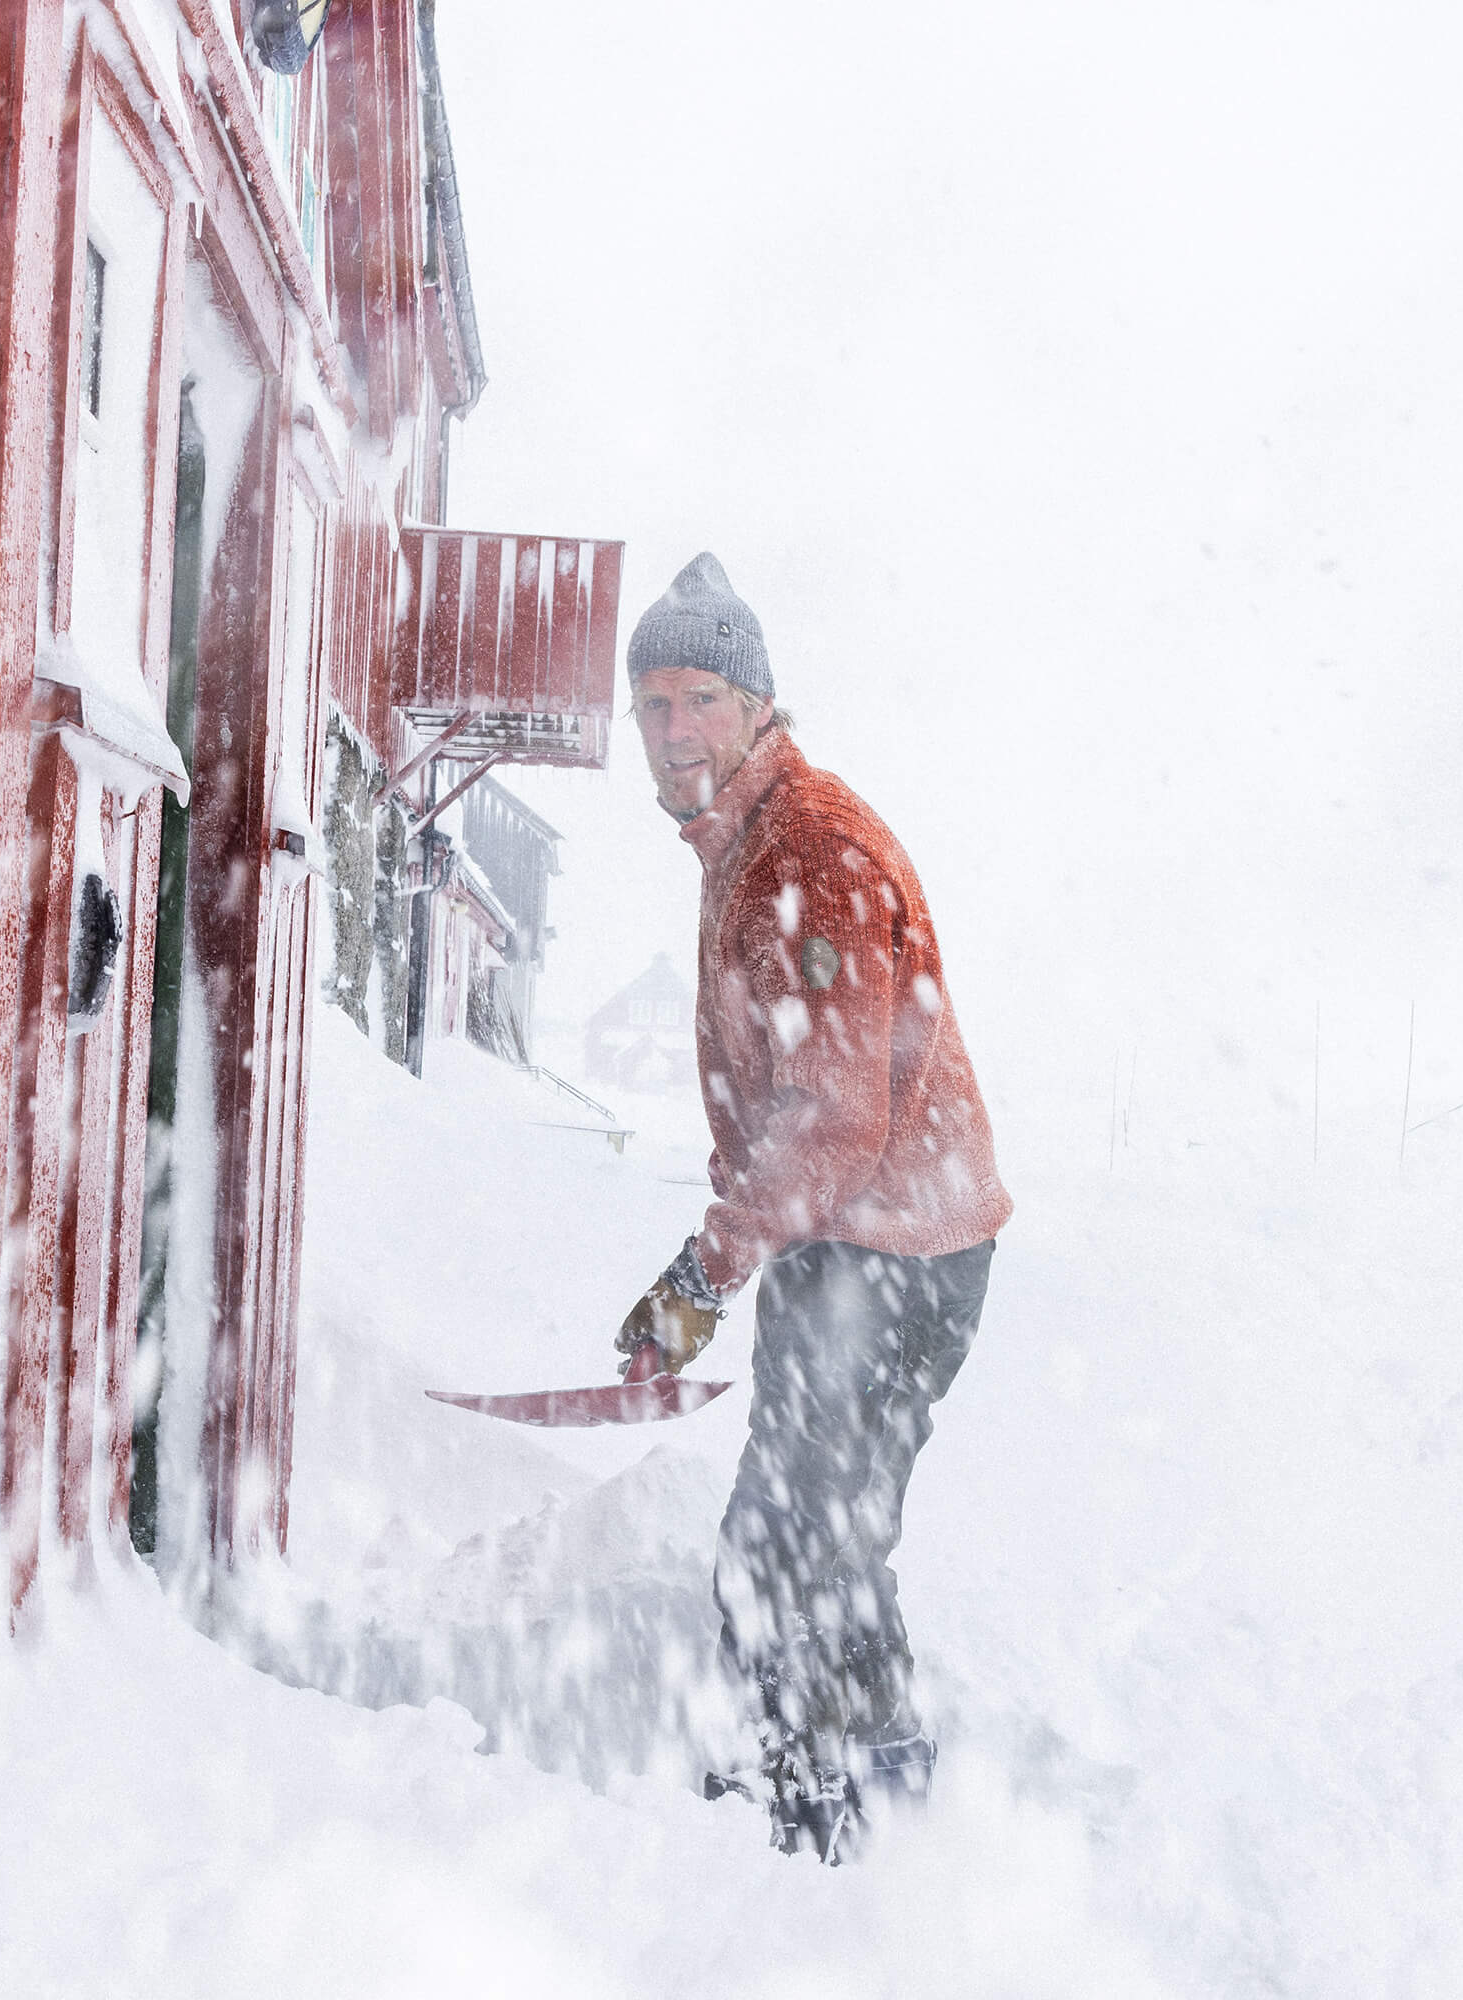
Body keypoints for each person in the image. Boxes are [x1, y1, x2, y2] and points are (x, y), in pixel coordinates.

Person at [612, 552, 1013, 1862]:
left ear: (759, 705)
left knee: (813, 1541)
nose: (674, 730)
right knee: (792, 1532)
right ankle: (800, 1793)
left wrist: (704, 1274)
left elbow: (836, 1114)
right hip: (847, 1241)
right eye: (653, 705)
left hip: (898, 1250)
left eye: (700, 699)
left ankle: (857, 1827)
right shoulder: (745, 841)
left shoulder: (812, 847)